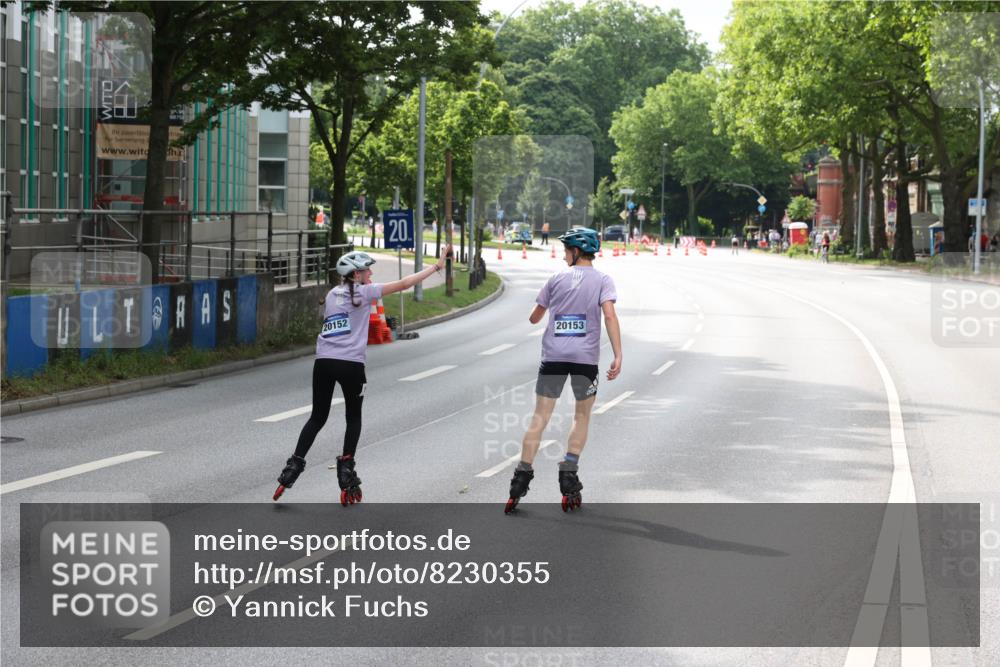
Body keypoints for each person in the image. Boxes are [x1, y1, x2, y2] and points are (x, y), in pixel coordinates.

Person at [273, 246, 452, 505]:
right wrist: (436, 267)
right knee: (353, 417)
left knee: (317, 417)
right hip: (351, 365)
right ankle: (346, 472)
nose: (371, 273)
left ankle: (292, 467)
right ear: (356, 275)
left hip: (323, 361)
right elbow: (403, 283)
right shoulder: (365, 292)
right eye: (367, 269)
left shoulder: (332, 293)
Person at [505, 228, 622, 514]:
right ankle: (568, 471)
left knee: (540, 416)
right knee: (581, 415)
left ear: (577, 251)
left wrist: (550, 311)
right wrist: (618, 354)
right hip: (585, 360)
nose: (563, 255)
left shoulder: (556, 278)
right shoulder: (604, 280)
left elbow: (535, 317)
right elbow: (609, 314)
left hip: (554, 357)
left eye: (566, 250)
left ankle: (521, 476)